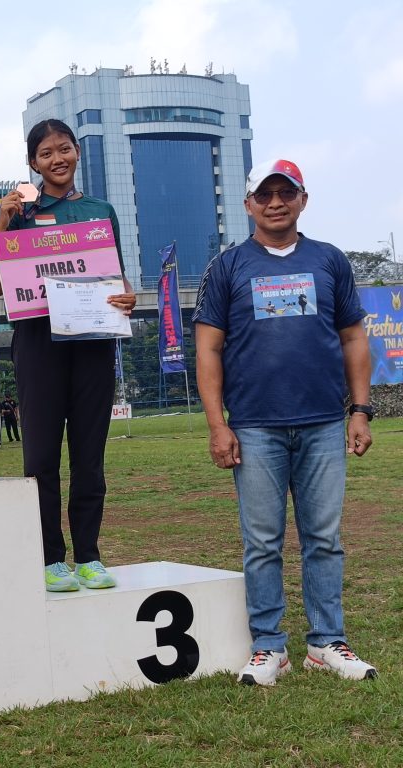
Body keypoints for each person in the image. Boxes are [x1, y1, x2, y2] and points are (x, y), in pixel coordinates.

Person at [194, 158, 377, 686]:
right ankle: (268, 646)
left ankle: (326, 642)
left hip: (323, 423)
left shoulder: (329, 260)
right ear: (248, 204)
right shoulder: (227, 267)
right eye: (265, 195)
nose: (276, 203)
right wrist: (218, 425)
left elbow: (353, 337)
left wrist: (360, 410)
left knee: (324, 538)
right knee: (262, 543)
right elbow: (208, 349)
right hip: (254, 426)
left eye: (286, 193)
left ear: (303, 200)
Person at [0, 119, 136, 593]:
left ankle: (89, 555)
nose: (58, 159)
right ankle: (50, 558)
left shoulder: (99, 211)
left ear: (77, 152)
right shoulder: (21, 211)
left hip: (93, 340)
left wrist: (127, 295)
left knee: (90, 456)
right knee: (41, 457)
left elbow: (116, 275)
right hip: (38, 344)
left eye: (64, 149)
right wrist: (3, 221)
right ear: (33, 162)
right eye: (46, 153)